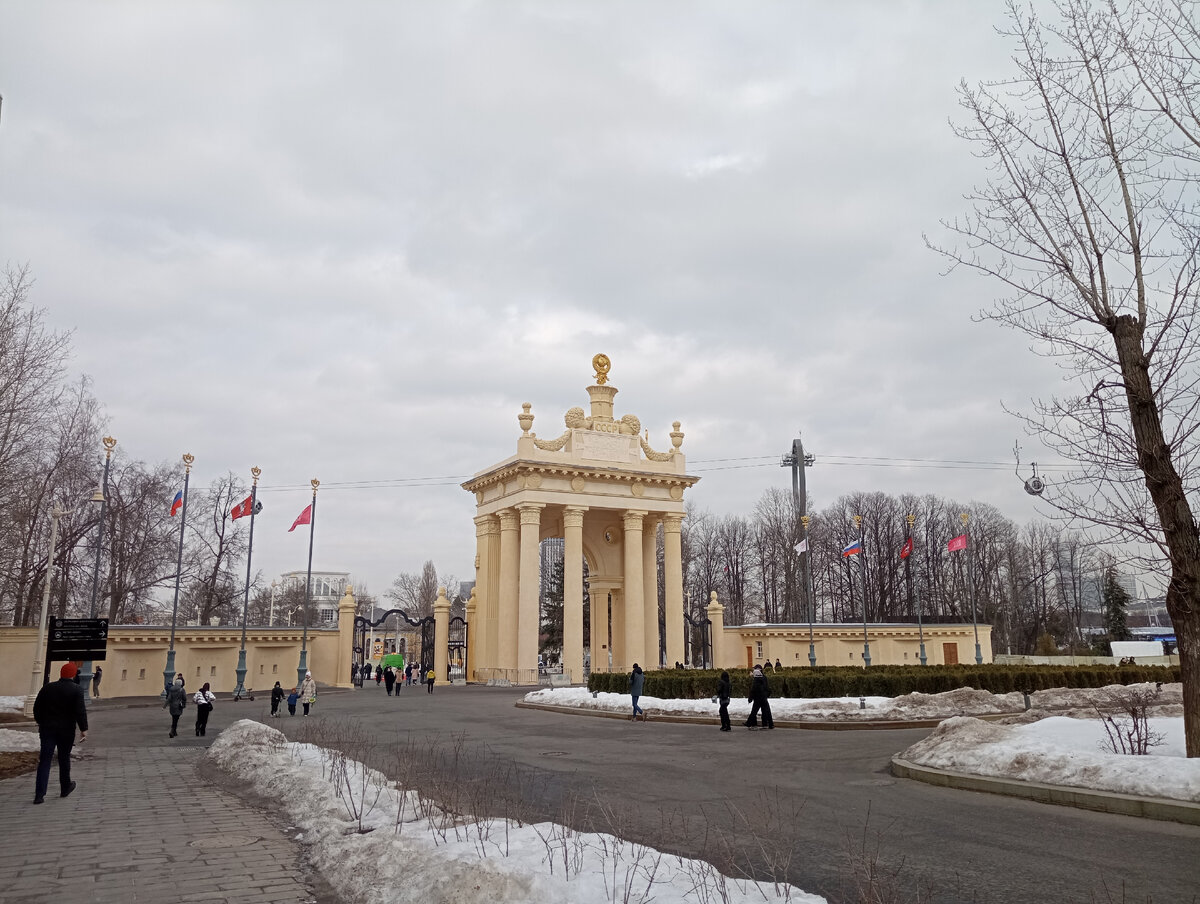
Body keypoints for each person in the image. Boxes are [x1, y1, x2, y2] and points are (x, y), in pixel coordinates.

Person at [32, 662, 88, 804]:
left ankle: (39, 795)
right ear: (73, 674)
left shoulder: (48, 688)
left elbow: (37, 708)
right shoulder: (77, 690)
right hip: (66, 730)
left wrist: (42, 722)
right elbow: (80, 711)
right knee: (64, 758)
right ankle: (65, 787)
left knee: (45, 760)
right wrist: (83, 729)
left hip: (47, 729)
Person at [746, 664, 774, 730]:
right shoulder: (764, 677)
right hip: (763, 697)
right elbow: (767, 687)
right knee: (765, 711)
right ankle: (766, 724)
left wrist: (750, 698)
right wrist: (766, 695)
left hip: (757, 698)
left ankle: (753, 724)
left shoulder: (756, 679)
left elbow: (753, 689)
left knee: (754, 711)